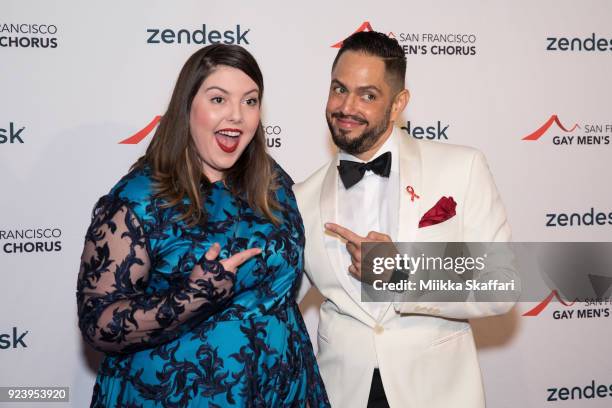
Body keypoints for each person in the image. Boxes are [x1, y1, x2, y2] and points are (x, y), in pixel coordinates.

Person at [77, 44, 330, 408]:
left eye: (250, 101)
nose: (237, 115)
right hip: (178, 395)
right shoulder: (138, 199)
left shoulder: (272, 181)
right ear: (188, 107)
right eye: (218, 99)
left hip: (284, 390)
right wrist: (191, 297)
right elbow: (98, 323)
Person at [294, 31, 512, 407]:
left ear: (398, 104)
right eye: (338, 89)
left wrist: (400, 273)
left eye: (368, 95)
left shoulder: (462, 167)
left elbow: (502, 284)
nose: (346, 107)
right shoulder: (300, 198)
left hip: (436, 393)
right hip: (342, 392)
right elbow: (275, 302)